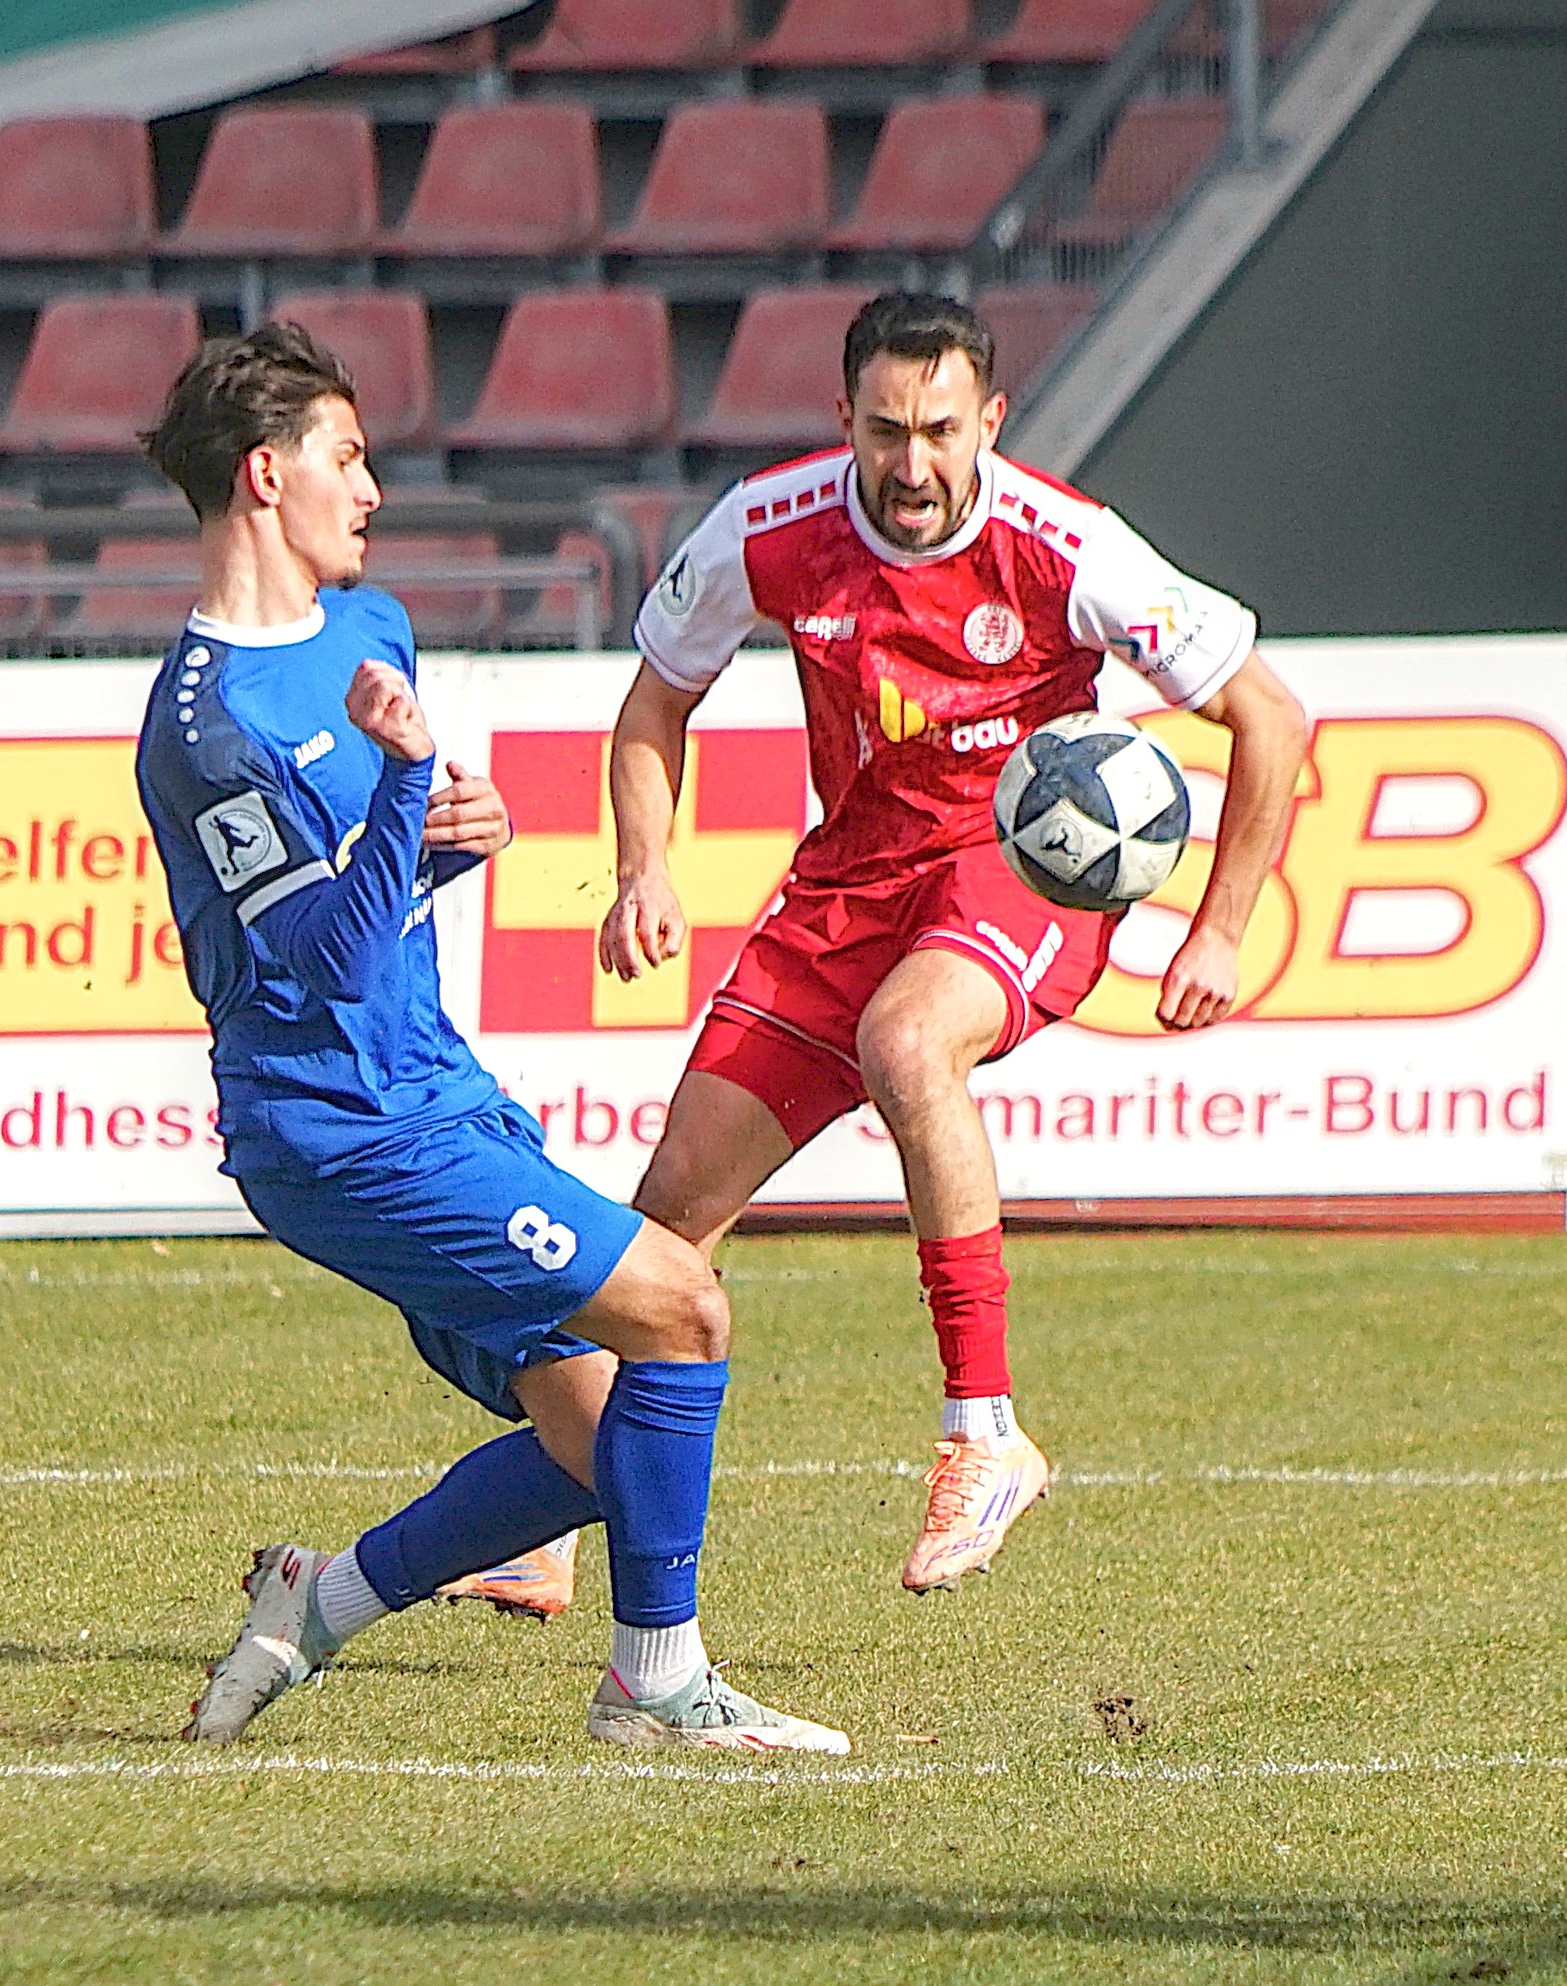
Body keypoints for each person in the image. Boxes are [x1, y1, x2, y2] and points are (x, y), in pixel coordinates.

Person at [134, 323, 843, 1753]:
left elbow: (385, 883)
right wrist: (406, 792)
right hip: (335, 1130)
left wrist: (462, 834)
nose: (374, 485)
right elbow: (323, 971)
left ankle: (317, 1600)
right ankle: (658, 1684)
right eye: (348, 454)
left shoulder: (368, 627)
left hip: (430, 1086)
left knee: (601, 1442)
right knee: (684, 1308)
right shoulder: (207, 730)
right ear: (267, 475)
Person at [581, 290, 1305, 1598]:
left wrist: (1223, 927)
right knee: (657, 1235)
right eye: (885, 431)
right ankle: (544, 1509)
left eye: (939, 431)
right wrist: (644, 867)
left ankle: (985, 1431)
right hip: (844, 896)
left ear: (991, 422)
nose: (912, 465)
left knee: (910, 1041)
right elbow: (653, 705)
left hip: (1015, 877)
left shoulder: (1068, 547)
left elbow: (1272, 717)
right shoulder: (769, 531)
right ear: (843, 420)